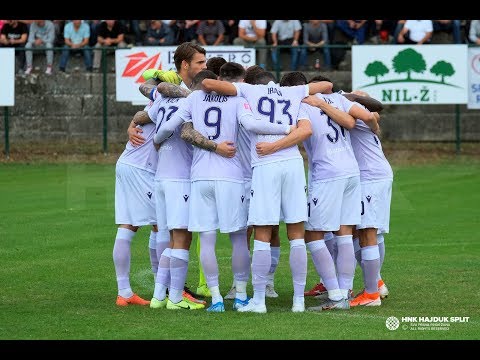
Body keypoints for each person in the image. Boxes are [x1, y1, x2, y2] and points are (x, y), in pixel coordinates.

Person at [201, 70, 333, 313]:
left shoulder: (250, 91)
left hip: (264, 164)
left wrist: (239, 87)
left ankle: (259, 301)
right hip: (293, 164)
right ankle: (298, 301)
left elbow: (208, 83)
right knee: (296, 234)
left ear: (250, 83)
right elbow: (327, 84)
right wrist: (302, 95)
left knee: (262, 232)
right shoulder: (291, 92)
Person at [267, 72, 380, 310]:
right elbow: (354, 121)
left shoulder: (299, 104)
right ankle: (345, 290)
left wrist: (272, 146)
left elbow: (303, 132)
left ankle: (336, 293)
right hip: (351, 171)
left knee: (312, 234)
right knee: (344, 232)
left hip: (327, 173)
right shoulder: (334, 98)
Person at [135, 42, 211, 299]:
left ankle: (161, 293)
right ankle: (174, 294)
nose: (205, 66)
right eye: (200, 62)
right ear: (185, 64)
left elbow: (145, 112)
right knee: (179, 236)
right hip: (178, 176)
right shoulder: (181, 91)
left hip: (165, 175)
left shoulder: (174, 92)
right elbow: (146, 94)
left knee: (166, 233)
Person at [347, 90, 392, 306]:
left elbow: (374, 113)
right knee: (364, 231)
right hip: (374, 175)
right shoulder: (368, 117)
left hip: (371, 177)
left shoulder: (362, 116)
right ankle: (377, 283)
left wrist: (344, 98)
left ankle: (372, 293)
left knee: (367, 231)